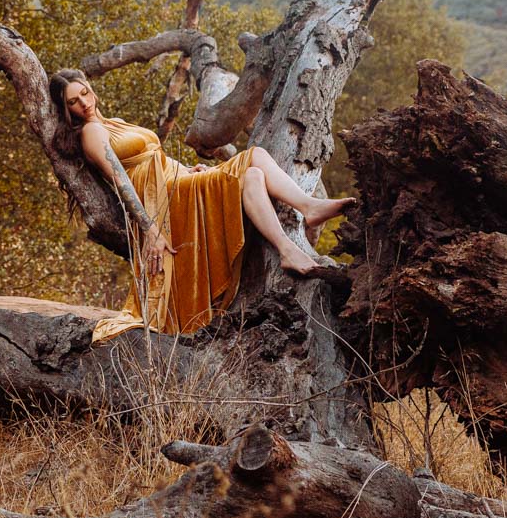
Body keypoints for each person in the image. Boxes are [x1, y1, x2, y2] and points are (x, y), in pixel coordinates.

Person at [51, 68, 352, 338]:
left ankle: (296, 231)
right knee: (254, 160)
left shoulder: (113, 122)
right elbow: (121, 180)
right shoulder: (91, 132)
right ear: (67, 110)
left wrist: (188, 170)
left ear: (91, 89)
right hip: (161, 198)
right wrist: (151, 229)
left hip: (176, 180)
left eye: (84, 93)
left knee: (254, 173)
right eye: (73, 101)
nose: (84, 103)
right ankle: (303, 218)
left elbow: (157, 158)